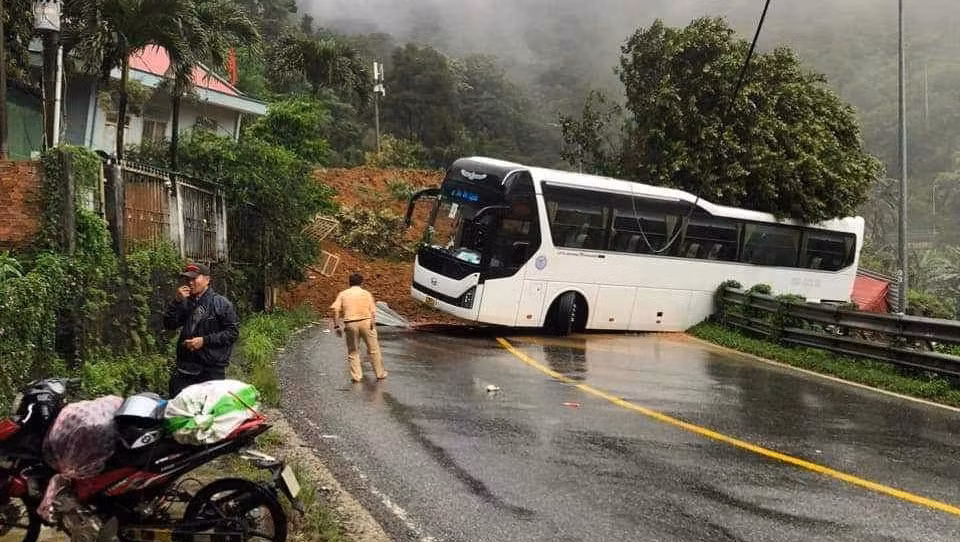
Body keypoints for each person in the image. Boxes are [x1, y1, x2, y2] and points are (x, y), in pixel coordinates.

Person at [164, 262, 240, 396]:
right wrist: (176, 302)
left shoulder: (221, 303)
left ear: (207, 280)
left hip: (211, 369)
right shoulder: (185, 302)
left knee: (209, 406)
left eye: (194, 278)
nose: (190, 282)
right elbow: (170, 324)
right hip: (186, 367)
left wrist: (204, 341)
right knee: (179, 403)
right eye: (188, 279)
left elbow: (232, 333)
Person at [330, 273, 387, 382]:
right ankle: (380, 373)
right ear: (362, 283)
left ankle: (357, 376)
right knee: (374, 349)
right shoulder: (366, 294)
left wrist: (337, 326)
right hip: (366, 321)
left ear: (349, 282)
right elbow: (373, 312)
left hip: (350, 323)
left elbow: (335, 310)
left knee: (353, 351)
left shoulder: (343, 294)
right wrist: (373, 324)